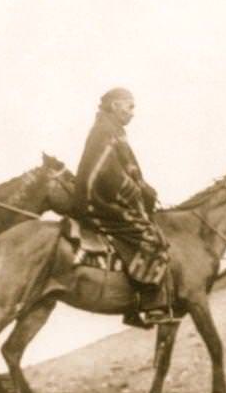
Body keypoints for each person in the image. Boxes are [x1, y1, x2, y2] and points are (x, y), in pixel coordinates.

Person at [74, 87, 174, 326]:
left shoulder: (111, 130)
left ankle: (132, 300)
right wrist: (138, 191)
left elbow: (123, 171)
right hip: (99, 202)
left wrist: (144, 187)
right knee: (149, 237)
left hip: (105, 198)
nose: (132, 113)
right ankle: (150, 305)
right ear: (115, 106)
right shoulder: (105, 131)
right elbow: (108, 174)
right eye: (130, 106)